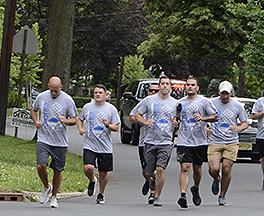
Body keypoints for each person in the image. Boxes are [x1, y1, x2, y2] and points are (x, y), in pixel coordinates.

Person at [129, 75, 179, 206]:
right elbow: (136, 115)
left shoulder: (175, 103)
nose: (165, 86)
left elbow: (178, 120)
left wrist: (176, 123)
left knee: (161, 169)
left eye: (167, 84)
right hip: (150, 140)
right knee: (148, 171)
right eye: (162, 83)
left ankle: (156, 196)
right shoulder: (149, 100)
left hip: (166, 141)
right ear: (159, 85)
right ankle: (150, 180)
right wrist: (145, 122)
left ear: (170, 87)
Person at [31, 76, 78, 208]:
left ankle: (54, 196)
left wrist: (65, 121)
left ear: (61, 87)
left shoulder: (68, 100)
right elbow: (33, 109)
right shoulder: (41, 96)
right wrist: (36, 121)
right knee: (41, 165)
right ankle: (46, 187)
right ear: (48, 86)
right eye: (51, 90)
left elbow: (75, 119)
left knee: (58, 170)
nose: (53, 93)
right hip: (44, 138)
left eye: (56, 91)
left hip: (60, 141)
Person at [206, 80, 250, 206]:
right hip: (215, 140)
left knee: (226, 168)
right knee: (213, 169)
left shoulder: (237, 106)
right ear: (219, 92)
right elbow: (202, 117)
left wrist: (238, 128)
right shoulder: (211, 103)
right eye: (223, 93)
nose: (225, 96)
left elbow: (245, 122)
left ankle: (222, 195)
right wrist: (206, 127)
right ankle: (216, 178)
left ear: (231, 93)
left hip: (231, 141)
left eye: (227, 93)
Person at [174, 76, 214, 208]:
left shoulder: (204, 102)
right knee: (185, 167)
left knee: (197, 169)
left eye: (192, 85)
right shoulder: (179, 103)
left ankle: (195, 188)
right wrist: (175, 122)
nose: (190, 87)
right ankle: (183, 195)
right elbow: (176, 119)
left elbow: (215, 116)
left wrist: (203, 118)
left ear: (197, 87)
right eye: (188, 85)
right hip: (184, 140)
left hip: (200, 141)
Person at [78, 84, 120, 204]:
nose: (98, 95)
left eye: (100, 93)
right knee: (88, 167)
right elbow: (80, 119)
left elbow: (116, 127)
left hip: (105, 146)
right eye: (96, 92)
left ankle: (101, 193)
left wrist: (107, 125)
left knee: (103, 172)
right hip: (90, 144)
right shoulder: (87, 107)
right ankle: (92, 180)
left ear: (105, 95)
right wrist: (81, 129)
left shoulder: (111, 109)